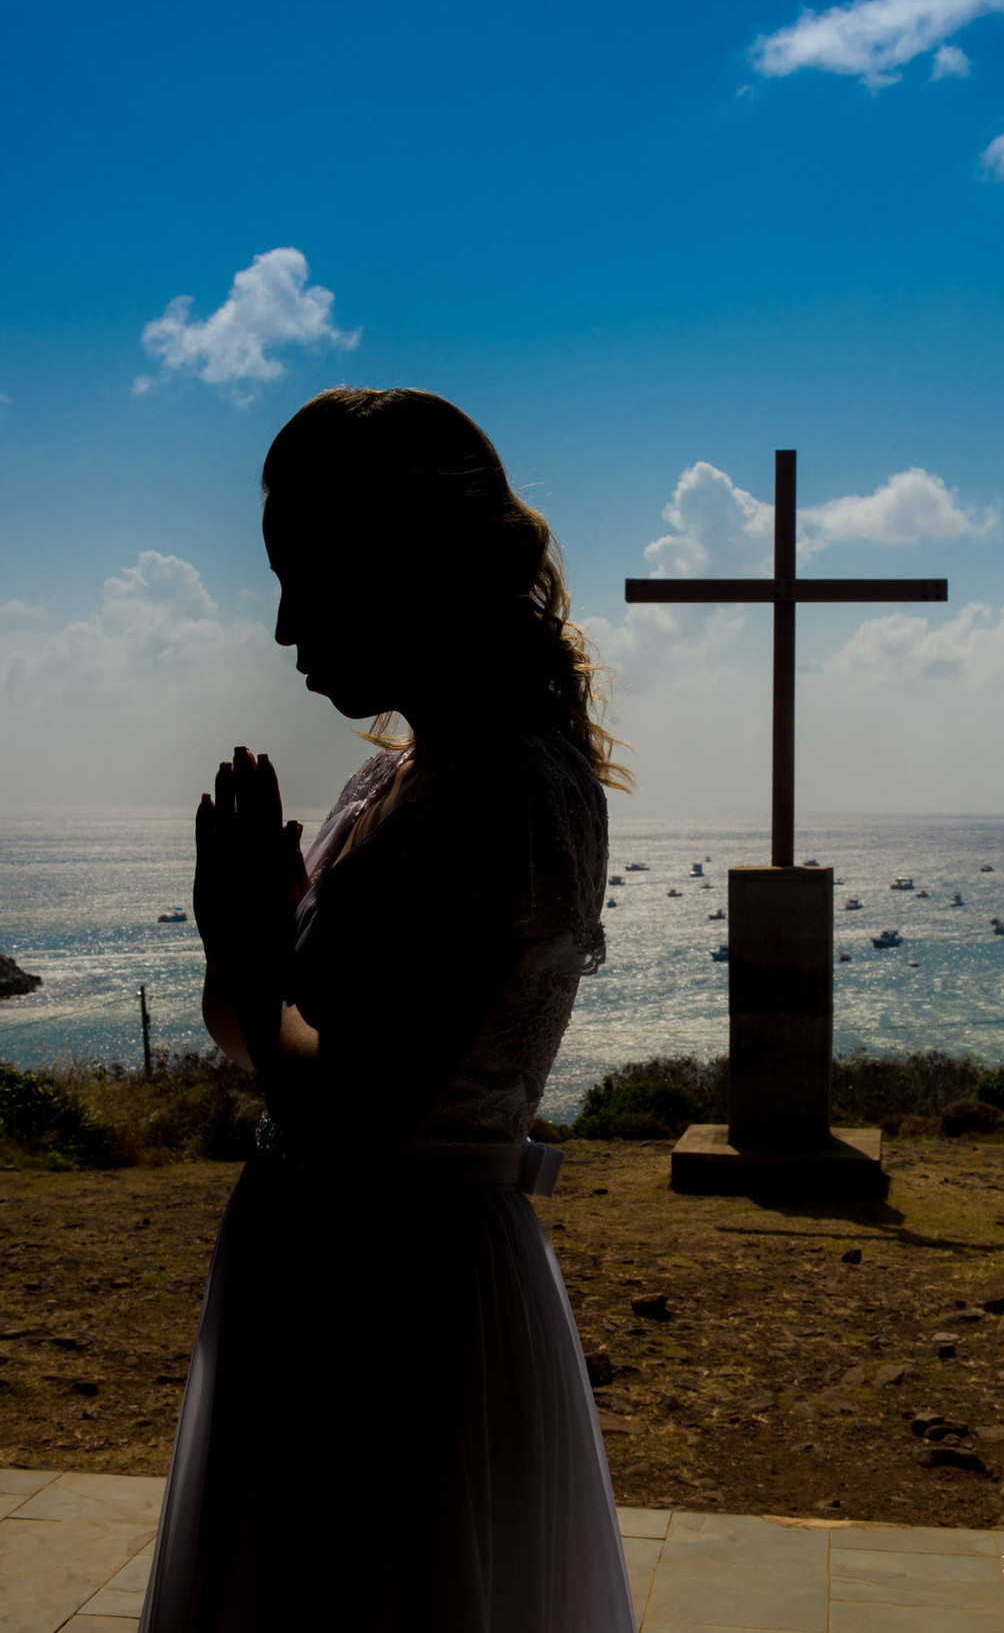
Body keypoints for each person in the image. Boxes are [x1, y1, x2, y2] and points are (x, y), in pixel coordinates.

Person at [137, 387, 638, 1633]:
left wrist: (258, 957)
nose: (283, 624)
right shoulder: (395, 778)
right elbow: (260, 1039)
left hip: (400, 1309)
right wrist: (235, 942)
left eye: (308, 576)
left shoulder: (514, 793)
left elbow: (355, 1117)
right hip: (313, 1287)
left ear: (410, 567)